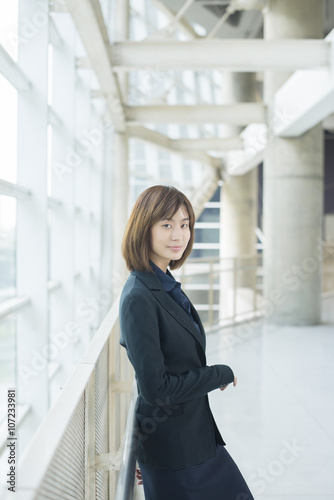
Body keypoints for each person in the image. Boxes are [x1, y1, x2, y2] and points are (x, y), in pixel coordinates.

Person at [119, 185, 254, 500]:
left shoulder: (162, 284)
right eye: (166, 225)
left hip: (193, 440)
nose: (179, 234)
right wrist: (218, 374)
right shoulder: (139, 296)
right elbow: (157, 389)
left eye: (184, 224)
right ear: (144, 229)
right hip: (176, 453)